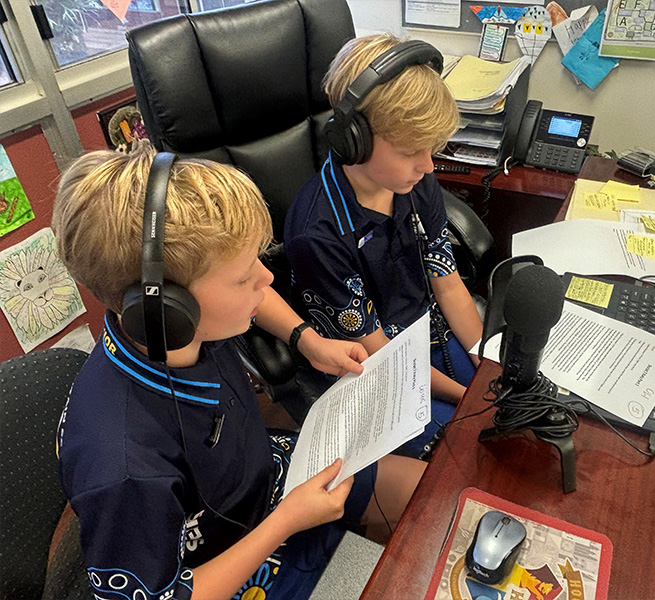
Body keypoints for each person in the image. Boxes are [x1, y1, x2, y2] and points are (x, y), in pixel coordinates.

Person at [51, 143, 425, 600]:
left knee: (433, 498)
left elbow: (249, 288)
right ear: (170, 308)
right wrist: (287, 520)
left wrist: (308, 340)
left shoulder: (180, 327)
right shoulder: (125, 469)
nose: (266, 280)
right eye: (243, 276)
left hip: (263, 479)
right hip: (227, 565)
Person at [284, 34, 484, 458]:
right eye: (411, 151)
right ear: (353, 140)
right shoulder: (317, 233)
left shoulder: (416, 180)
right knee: (466, 449)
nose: (428, 165)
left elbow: (447, 284)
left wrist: (487, 366)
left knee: (501, 398)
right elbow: (379, 356)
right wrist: (470, 399)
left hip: (428, 333)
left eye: (431, 149)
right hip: (376, 368)